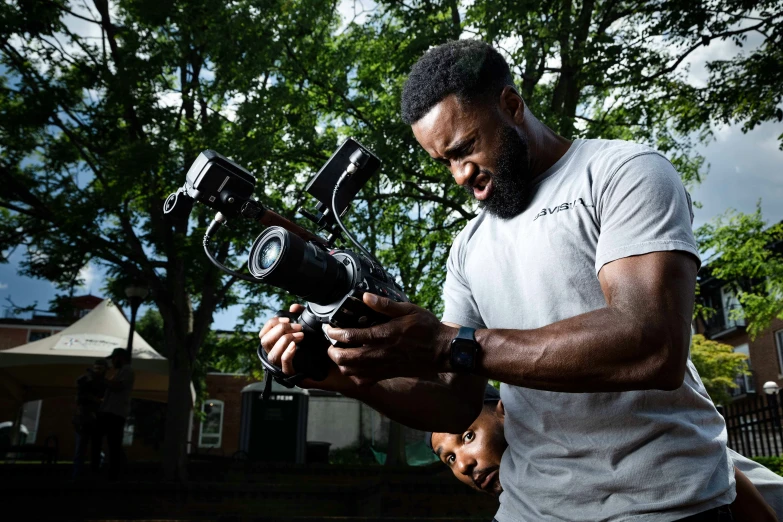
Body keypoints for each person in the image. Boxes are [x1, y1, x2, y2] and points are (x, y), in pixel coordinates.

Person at [261, 40, 736, 520]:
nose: (459, 175)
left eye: (464, 149)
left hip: (666, 503)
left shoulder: (621, 173)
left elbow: (652, 344)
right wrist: (344, 380)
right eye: (443, 161)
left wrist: (451, 344)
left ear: (511, 106)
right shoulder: (468, 247)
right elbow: (454, 402)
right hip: (532, 507)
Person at [428, 386, 780, 521]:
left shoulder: (584, 439)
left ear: (505, 411)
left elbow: (716, 473)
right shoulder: (519, 508)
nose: (463, 464)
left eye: (468, 435)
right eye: (448, 459)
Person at [92, 347, 134, 480]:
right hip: (111, 412)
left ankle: (113, 473)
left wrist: (102, 379)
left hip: (114, 413)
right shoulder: (121, 371)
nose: (112, 362)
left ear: (120, 358)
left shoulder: (127, 370)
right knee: (112, 443)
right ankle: (114, 471)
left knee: (111, 443)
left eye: (114, 359)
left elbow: (118, 386)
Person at [72, 358, 108, 479]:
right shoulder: (85, 380)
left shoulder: (102, 382)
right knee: (83, 448)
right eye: (96, 368)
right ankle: (79, 475)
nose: (98, 371)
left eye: (100, 368)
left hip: (94, 419)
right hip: (85, 418)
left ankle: (85, 475)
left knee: (91, 448)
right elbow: (79, 399)